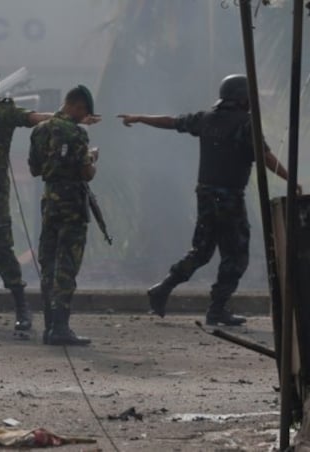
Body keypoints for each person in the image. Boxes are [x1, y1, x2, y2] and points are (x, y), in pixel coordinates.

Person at [118, 74, 296, 326]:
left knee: (202, 251)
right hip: (230, 198)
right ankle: (217, 308)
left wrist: (139, 118)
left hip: (205, 195)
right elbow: (265, 157)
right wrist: (291, 180)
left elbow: (172, 122)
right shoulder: (245, 124)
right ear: (244, 98)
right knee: (236, 255)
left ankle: (163, 287)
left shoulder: (206, 119)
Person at [0, 67, 95, 332]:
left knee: (1, 248)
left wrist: (69, 119)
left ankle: (21, 306)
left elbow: (33, 118)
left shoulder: (4, 111)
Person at [29, 85, 98, 346]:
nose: (84, 119)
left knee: (48, 263)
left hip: (49, 202)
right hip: (72, 204)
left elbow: (35, 169)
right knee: (67, 265)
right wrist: (92, 159)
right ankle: (61, 327)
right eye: (84, 113)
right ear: (78, 106)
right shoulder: (76, 133)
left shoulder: (40, 130)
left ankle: (49, 326)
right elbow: (85, 173)